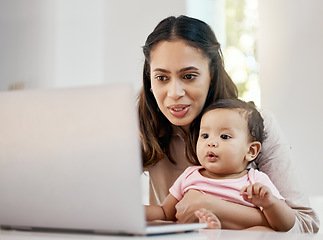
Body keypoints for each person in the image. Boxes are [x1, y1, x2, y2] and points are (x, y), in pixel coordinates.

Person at [137, 15, 319, 232]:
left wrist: (214, 207)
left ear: (211, 75)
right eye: (162, 78)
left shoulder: (256, 126)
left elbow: (306, 225)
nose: (174, 93)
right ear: (150, 79)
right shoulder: (141, 128)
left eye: (189, 76)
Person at [146, 99, 296, 231]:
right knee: (161, 223)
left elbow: (285, 224)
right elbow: (165, 212)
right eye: (204, 135)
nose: (211, 142)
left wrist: (270, 204)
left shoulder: (256, 181)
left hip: (237, 236)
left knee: (265, 232)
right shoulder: (189, 175)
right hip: (193, 236)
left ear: (251, 150)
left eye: (224, 136)